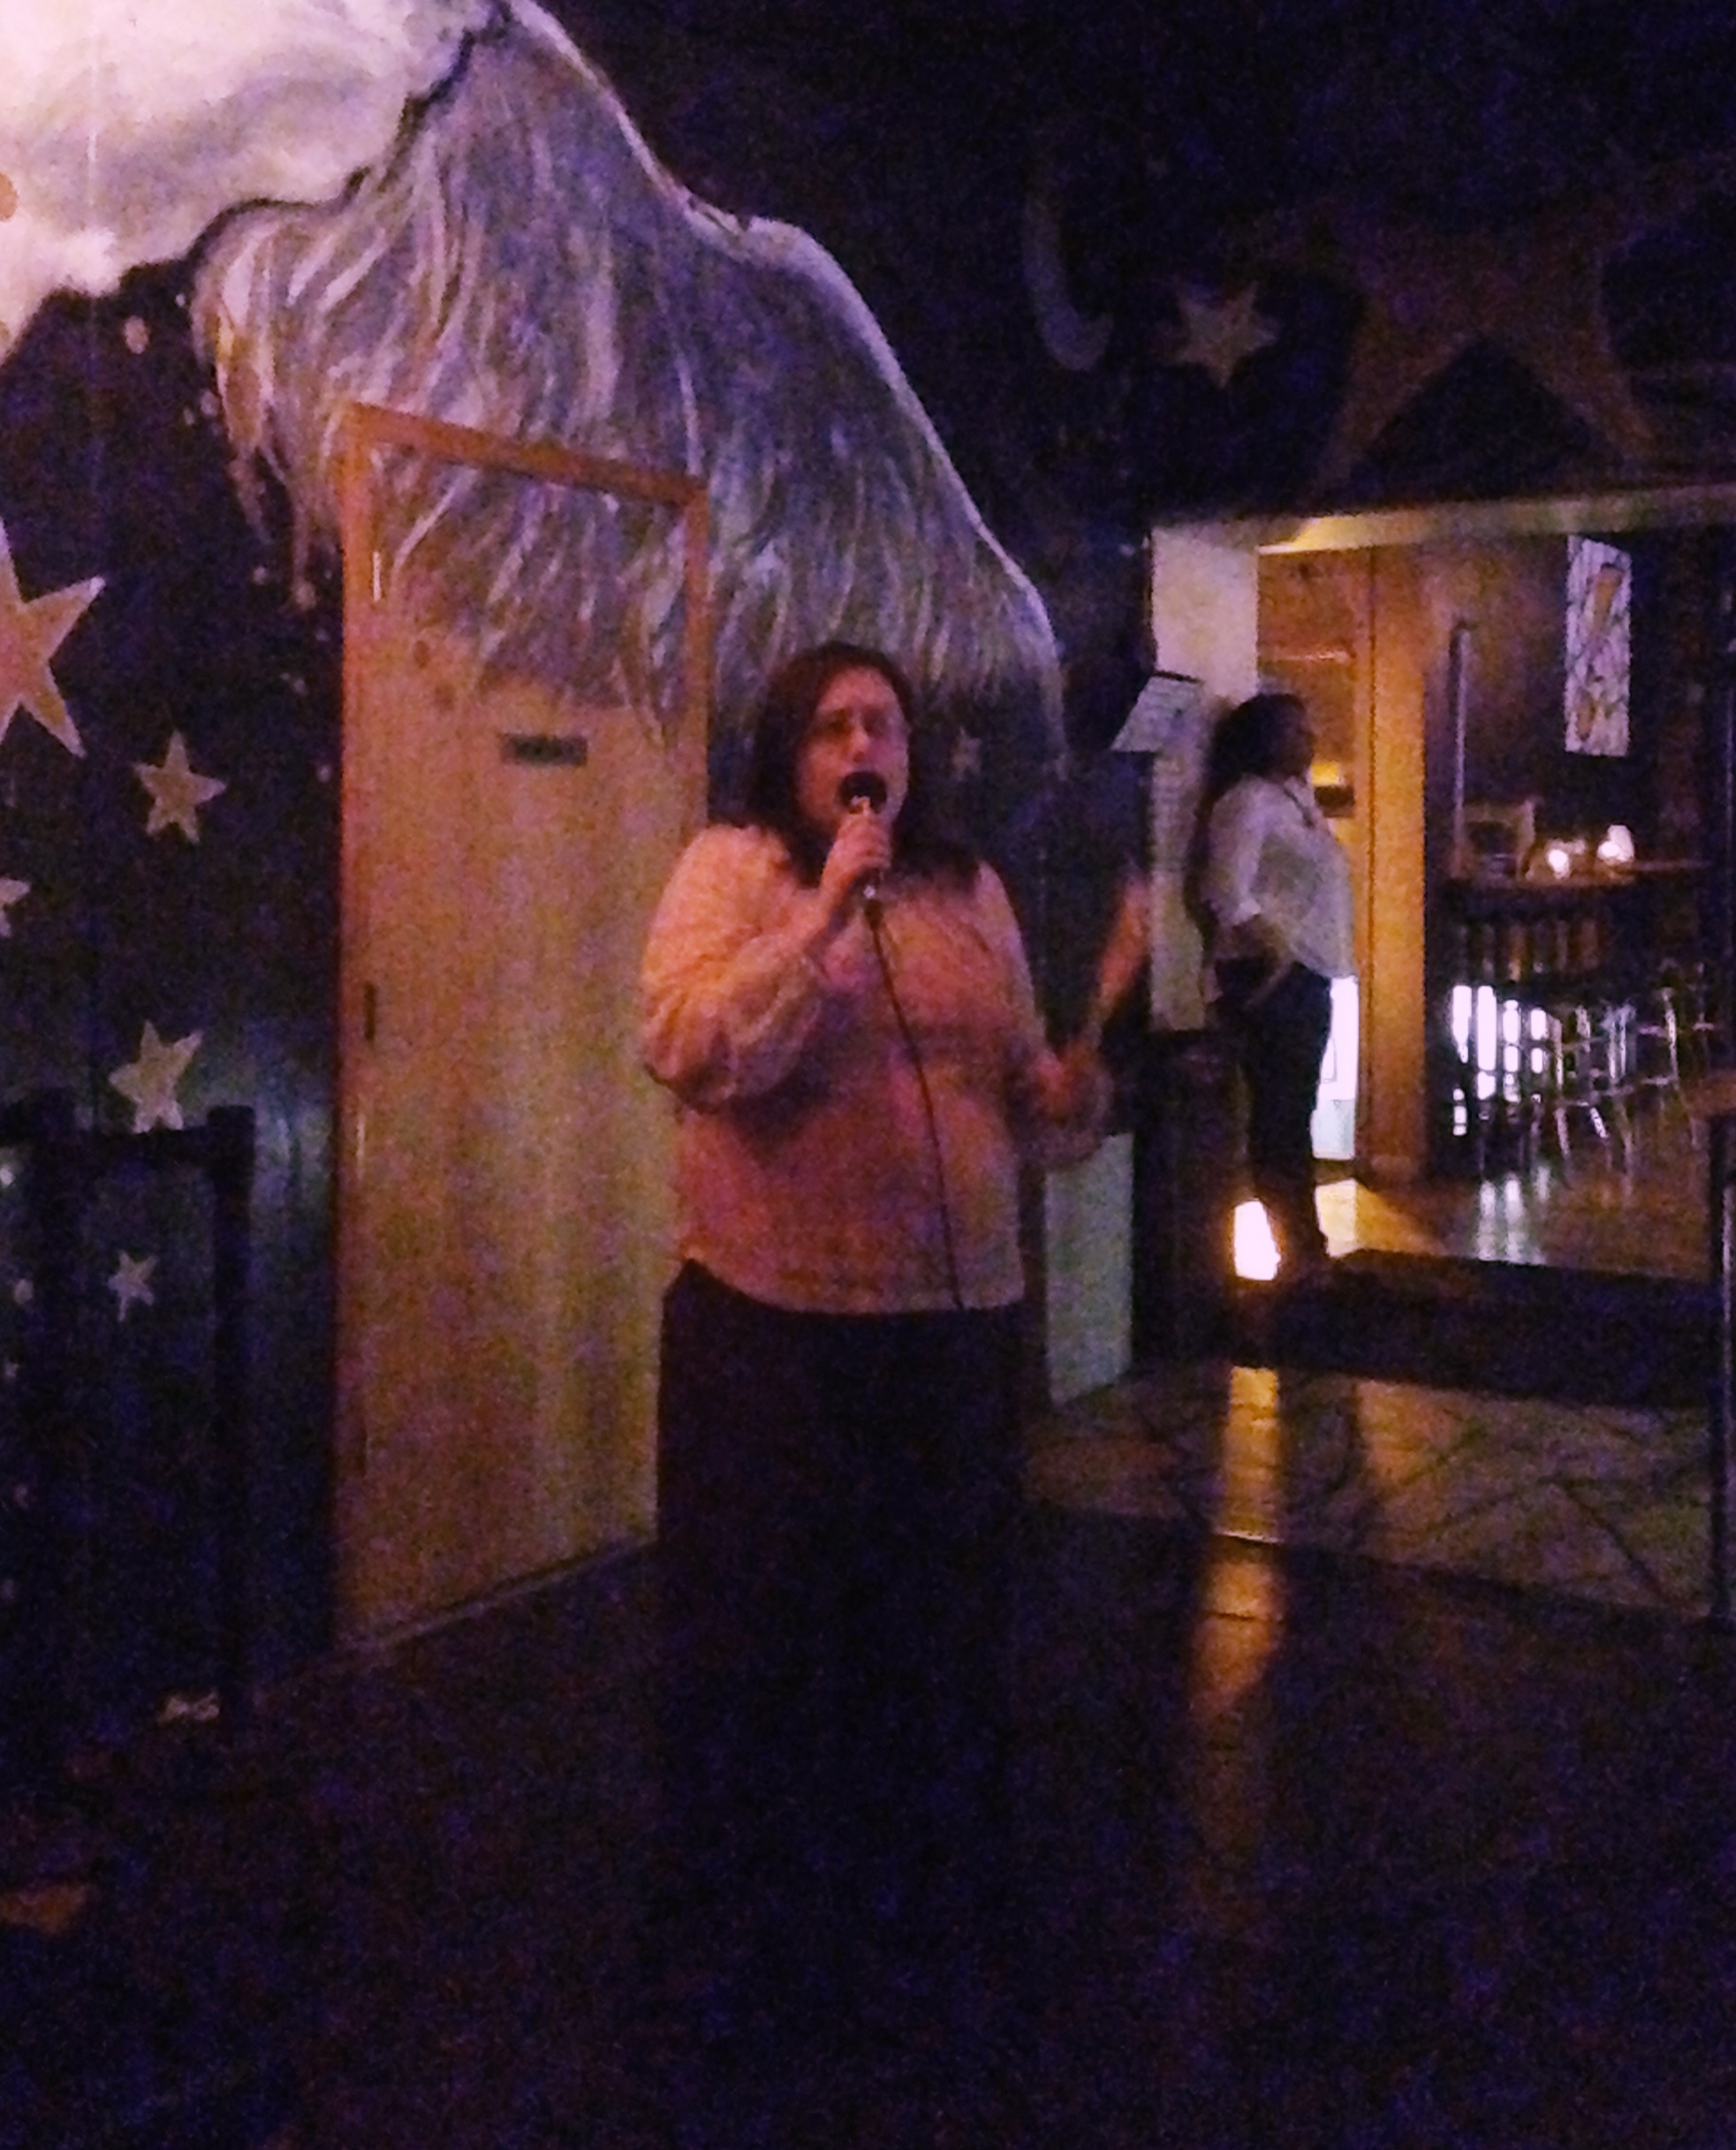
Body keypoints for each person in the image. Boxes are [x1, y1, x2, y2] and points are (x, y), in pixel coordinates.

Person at [638, 639, 1108, 2076]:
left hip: (955, 1328)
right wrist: (827, 914)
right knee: (780, 1646)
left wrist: (1064, 1093)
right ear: (790, 753)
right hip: (777, 1336)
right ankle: (765, 1940)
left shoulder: (971, 891)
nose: (865, 746)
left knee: (939, 1629)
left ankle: (926, 1914)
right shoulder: (733, 870)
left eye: (885, 725)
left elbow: (1017, 1091)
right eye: (836, 725)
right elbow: (690, 1046)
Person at [1192, 690, 1354, 1281]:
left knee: (1293, 1113)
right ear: (1264, 739)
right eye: (1295, 730)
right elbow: (1225, 889)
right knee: (1279, 1116)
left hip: (1309, 971)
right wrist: (1276, 949)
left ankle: (1305, 1247)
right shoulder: (1247, 802)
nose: (1309, 739)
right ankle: (1297, 1253)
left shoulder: (1296, 798)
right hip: (1274, 974)